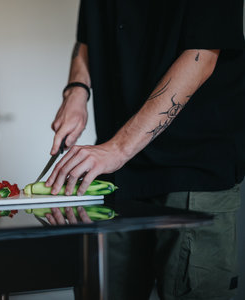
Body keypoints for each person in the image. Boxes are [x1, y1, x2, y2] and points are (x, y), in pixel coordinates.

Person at [45, 1, 245, 299]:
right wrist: (76, 89)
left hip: (192, 166)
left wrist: (118, 148)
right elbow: (88, 37)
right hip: (119, 174)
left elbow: (202, 54)